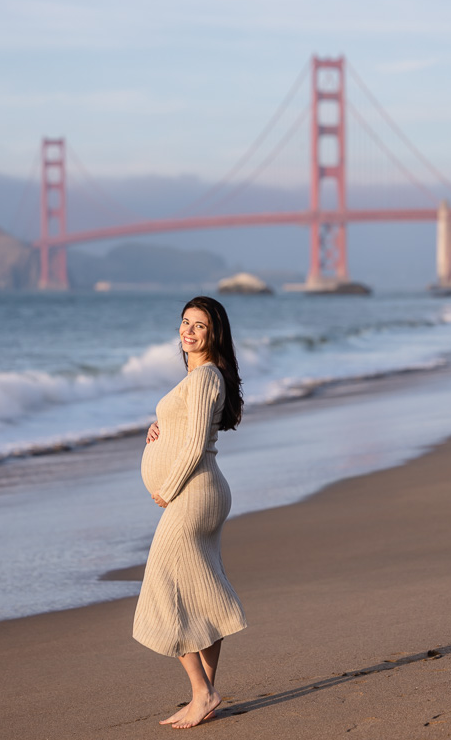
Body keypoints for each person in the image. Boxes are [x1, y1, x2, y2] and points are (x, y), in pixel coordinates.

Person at [133, 295, 247, 729]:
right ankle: (206, 695)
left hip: (193, 494)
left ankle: (203, 692)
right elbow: (189, 429)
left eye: (199, 325)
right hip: (203, 493)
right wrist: (160, 426)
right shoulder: (201, 377)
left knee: (163, 590)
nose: (188, 330)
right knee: (202, 592)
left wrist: (168, 487)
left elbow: (197, 445)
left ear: (213, 333)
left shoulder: (203, 378)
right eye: (184, 322)